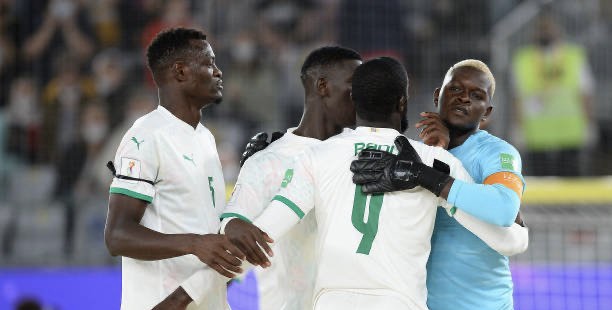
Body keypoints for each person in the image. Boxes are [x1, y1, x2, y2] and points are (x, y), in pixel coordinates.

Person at [224, 57, 475, 309]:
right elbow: (510, 238)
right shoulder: (275, 160)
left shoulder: (317, 157)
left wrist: (192, 290)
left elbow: (253, 241)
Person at [351, 59, 527, 309]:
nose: (464, 98)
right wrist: (437, 155)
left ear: (486, 112)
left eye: (476, 95)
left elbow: (504, 209)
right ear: (437, 96)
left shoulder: (496, 153)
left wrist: (426, 175)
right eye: (455, 89)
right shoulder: (413, 152)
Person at [103, 28, 244, 310]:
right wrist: (195, 244)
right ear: (180, 71)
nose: (218, 72)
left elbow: (204, 231)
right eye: (209, 63)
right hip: (158, 302)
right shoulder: (145, 137)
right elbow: (117, 236)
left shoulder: (205, 138)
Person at [221, 46, 362, 309]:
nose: (364, 95)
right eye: (355, 85)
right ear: (323, 86)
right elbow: (231, 244)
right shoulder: (266, 162)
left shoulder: (368, 154)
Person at [511, 14, 595, 176]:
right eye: (541, 29)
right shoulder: (523, 59)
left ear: (559, 30)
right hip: (536, 134)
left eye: (548, 28)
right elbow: (517, 96)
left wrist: (589, 123)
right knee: (542, 183)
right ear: (533, 33)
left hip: (570, 132)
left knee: (571, 182)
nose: (545, 33)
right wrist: (518, 126)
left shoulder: (574, 56)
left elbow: (585, 92)